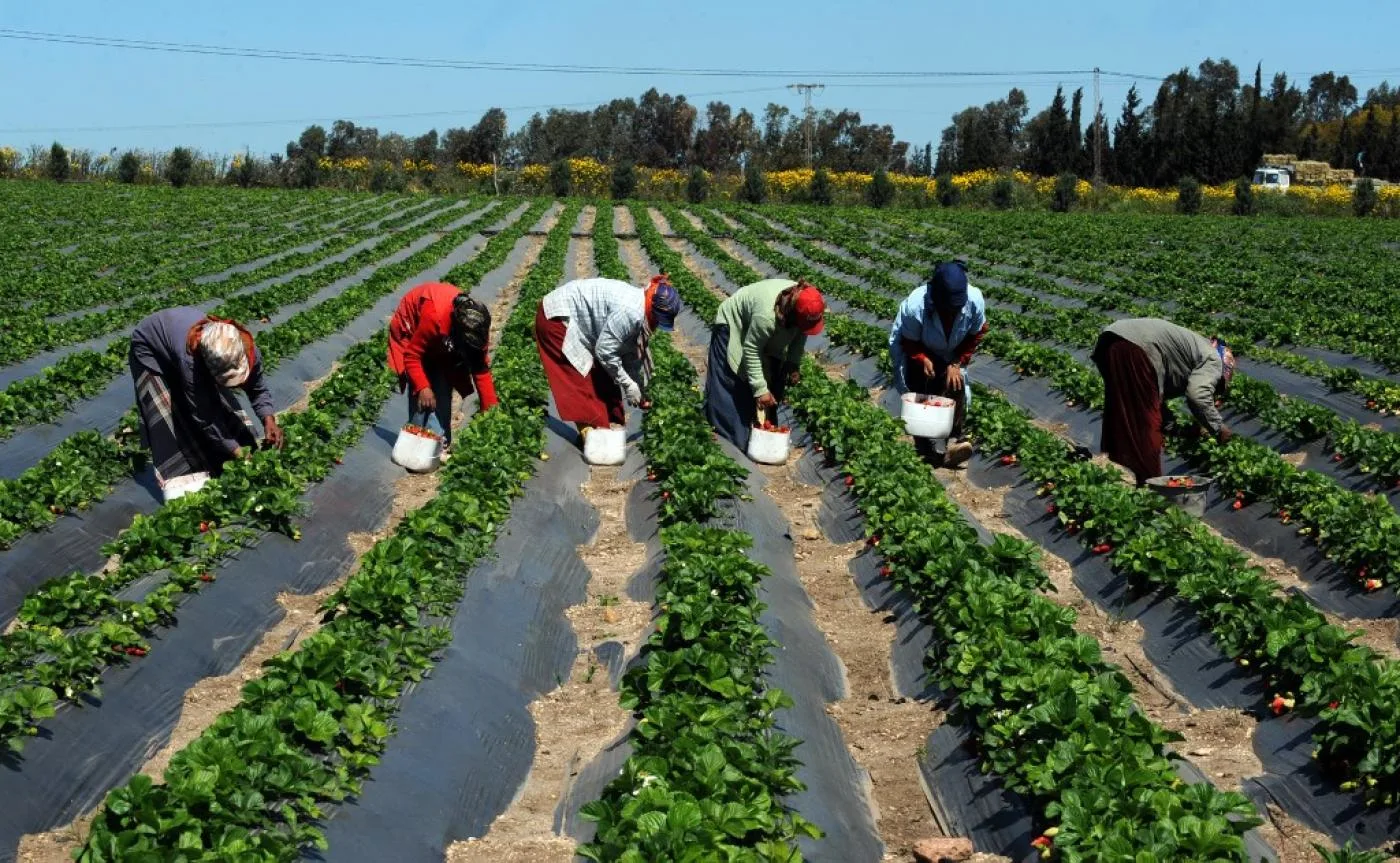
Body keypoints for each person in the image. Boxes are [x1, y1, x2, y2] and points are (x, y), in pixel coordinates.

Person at [129, 307, 284, 494]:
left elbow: (257, 387)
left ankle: (218, 459)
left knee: (218, 407)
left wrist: (269, 419)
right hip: (149, 348)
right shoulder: (191, 361)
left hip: (178, 339)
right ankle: (188, 478)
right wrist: (237, 452)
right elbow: (205, 417)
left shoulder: (244, 348)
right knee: (173, 417)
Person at [1091, 317, 1236, 485]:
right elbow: (1197, 396)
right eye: (1217, 385)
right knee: (1147, 425)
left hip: (1110, 343)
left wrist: (1186, 431)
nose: (1214, 389)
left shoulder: (1190, 354)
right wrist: (1218, 429)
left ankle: (1127, 479)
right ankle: (1151, 487)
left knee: (1126, 415)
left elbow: (1158, 407)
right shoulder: (1214, 360)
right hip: (1136, 347)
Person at [535, 275, 681, 438]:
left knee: (604, 374)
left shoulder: (641, 309)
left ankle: (609, 424)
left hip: (581, 321)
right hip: (556, 318)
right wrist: (628, 384)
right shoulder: (630, 313)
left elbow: (628, 354)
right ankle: (591, 434)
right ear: (653, 309)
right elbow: (604, 352)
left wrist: (638, 387)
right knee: (581, 378)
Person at [704, 278, 825, 453]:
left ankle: (763, 431)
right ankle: (727, 439)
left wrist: (792, 363)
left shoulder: (803, 306)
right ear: (793, 313)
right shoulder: (766, 317)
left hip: (761, 330)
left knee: (774, 378)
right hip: (734, 325)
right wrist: (760, 390)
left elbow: (801, 334)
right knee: (734, 381)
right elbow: (751, 350)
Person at [889, 261, 988, 467]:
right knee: (920, 390)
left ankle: (953, 438)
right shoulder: (915, 307)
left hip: (952, 351)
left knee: (955, 383)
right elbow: (909, 342)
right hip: (919, 348)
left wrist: (956, 361)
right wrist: (923, 359)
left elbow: (976, 334)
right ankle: (926, 447)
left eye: (956, 308)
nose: (952, 313)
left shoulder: (974, 301)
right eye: (948, 309)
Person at [388, 282, 498, 452]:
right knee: (422, 392)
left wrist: (490, 413)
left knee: (442, 384)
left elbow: (481, 371)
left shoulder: (477, 329)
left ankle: (440, 443)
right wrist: (423, 387)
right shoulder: (435, 317)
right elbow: (411, 356)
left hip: (440, 333)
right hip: (414, 323)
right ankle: (417, 447)